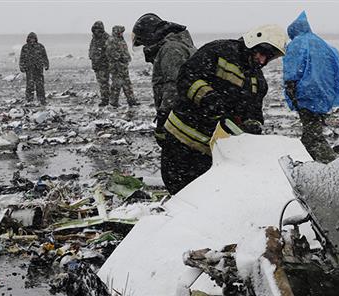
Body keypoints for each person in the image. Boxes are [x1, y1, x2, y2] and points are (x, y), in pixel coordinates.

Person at [159, 24, 288, 194]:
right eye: (262, 54)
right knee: (176, 188)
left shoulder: (258, 82)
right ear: (253, 42)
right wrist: (207, 97)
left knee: (198, 195)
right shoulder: (219, 51)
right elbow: (186, 76)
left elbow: (254, 112)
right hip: (180, 137)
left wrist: (252, 125)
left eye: (268, 58)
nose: (263, 61)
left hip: (210, 150)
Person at [283, 11, 339, 163]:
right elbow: (335, 69)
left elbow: (292, 71)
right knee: (312, 132)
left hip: (306, 94)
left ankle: (331, 166)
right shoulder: (323, 44)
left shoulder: (297, 43)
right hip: (324, 95)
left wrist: (291, 91)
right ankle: (314, 163)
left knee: (313, 137)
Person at [132, 13, 196, 146]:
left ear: (150, 36)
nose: (144, 46)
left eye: (143, 42)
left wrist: (164, 117)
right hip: (186, 115)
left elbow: (174, 85)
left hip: (181, 118)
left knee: (177, 159)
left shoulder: (171, 49)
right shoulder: (174, 46)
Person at [105, 25, 139, 107]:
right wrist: (121, 58)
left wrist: (128, 58)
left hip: (123, 67)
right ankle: (113, 102)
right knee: (116, 84)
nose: (121, 33)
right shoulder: (111, 40)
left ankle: (131, 101)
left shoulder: (121, 40)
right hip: (116, 67)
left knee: (127, 84)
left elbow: (124, 51)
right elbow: (111, 53)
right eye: (120, 32)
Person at [19, 32, 49, 104]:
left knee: (40, 85)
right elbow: (22, 58)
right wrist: (21, 66)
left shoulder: (40, 46)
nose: (32, 40)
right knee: (30, 85)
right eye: (30, 38)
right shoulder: (25, 47)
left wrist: (46, 64)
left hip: (38, 68)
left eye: (33, 38)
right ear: (28, 39)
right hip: (29, 69)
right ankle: (29, 100)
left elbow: (44, 56)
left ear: (36, 39)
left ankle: (42, 100)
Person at [89, 21, 111, 107]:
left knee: (104, 83)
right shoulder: (94, 38)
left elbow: (109, 51)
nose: (96, 31)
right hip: (96, 64)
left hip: (104, 65)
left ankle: (105, 100)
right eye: (95, 29)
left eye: (98, 29)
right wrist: (91, 57)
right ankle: (105, 98)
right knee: (101, 83)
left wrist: (103, 59)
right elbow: (91, 49)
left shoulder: (106, 38)